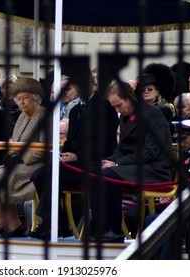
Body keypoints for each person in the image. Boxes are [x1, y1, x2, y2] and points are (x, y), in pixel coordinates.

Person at [28, 74, 119, 240]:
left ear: (92, 84)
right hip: (73, 162)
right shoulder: (76, 108)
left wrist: (76, 155)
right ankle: (58, 223)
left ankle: (51, 224)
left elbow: (105, 141)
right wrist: (64, 155)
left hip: (93, 161)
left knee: (52, 175)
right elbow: (71, 140)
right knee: (39, 174)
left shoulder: (105, 106)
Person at [90, 81, 173, 243]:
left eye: (118, 105)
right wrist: (109, 160)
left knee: (108, 176)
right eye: (114, 107)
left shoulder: (152, 114)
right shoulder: (126, 116)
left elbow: (151, 151)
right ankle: (98, 227)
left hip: (154, 168)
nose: (117, 110)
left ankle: (114, 230)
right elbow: (122, 148)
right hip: (134, 165)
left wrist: (117, 164)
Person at [0, 77, 48, 238]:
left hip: (37, 165)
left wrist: (21, 158)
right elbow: (15, 143)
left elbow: (46, 148)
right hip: (18, 163)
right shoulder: (22, 117)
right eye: (18, 99)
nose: (21, 103)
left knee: (0, 176)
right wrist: (11, 156)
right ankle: (5, 221)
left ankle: (13, 223)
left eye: (25, 98)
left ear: (35, 98)